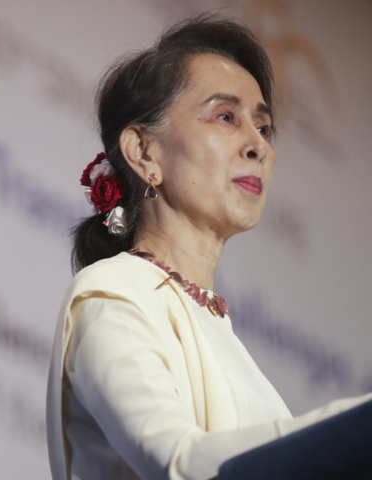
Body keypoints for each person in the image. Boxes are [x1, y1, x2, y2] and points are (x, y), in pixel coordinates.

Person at [46, 15, 372, 480]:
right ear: (144, 151)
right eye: (225, 117)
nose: (258, 146)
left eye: (264, 128)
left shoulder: (220, 333)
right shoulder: (112, 293)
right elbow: (179, 462)